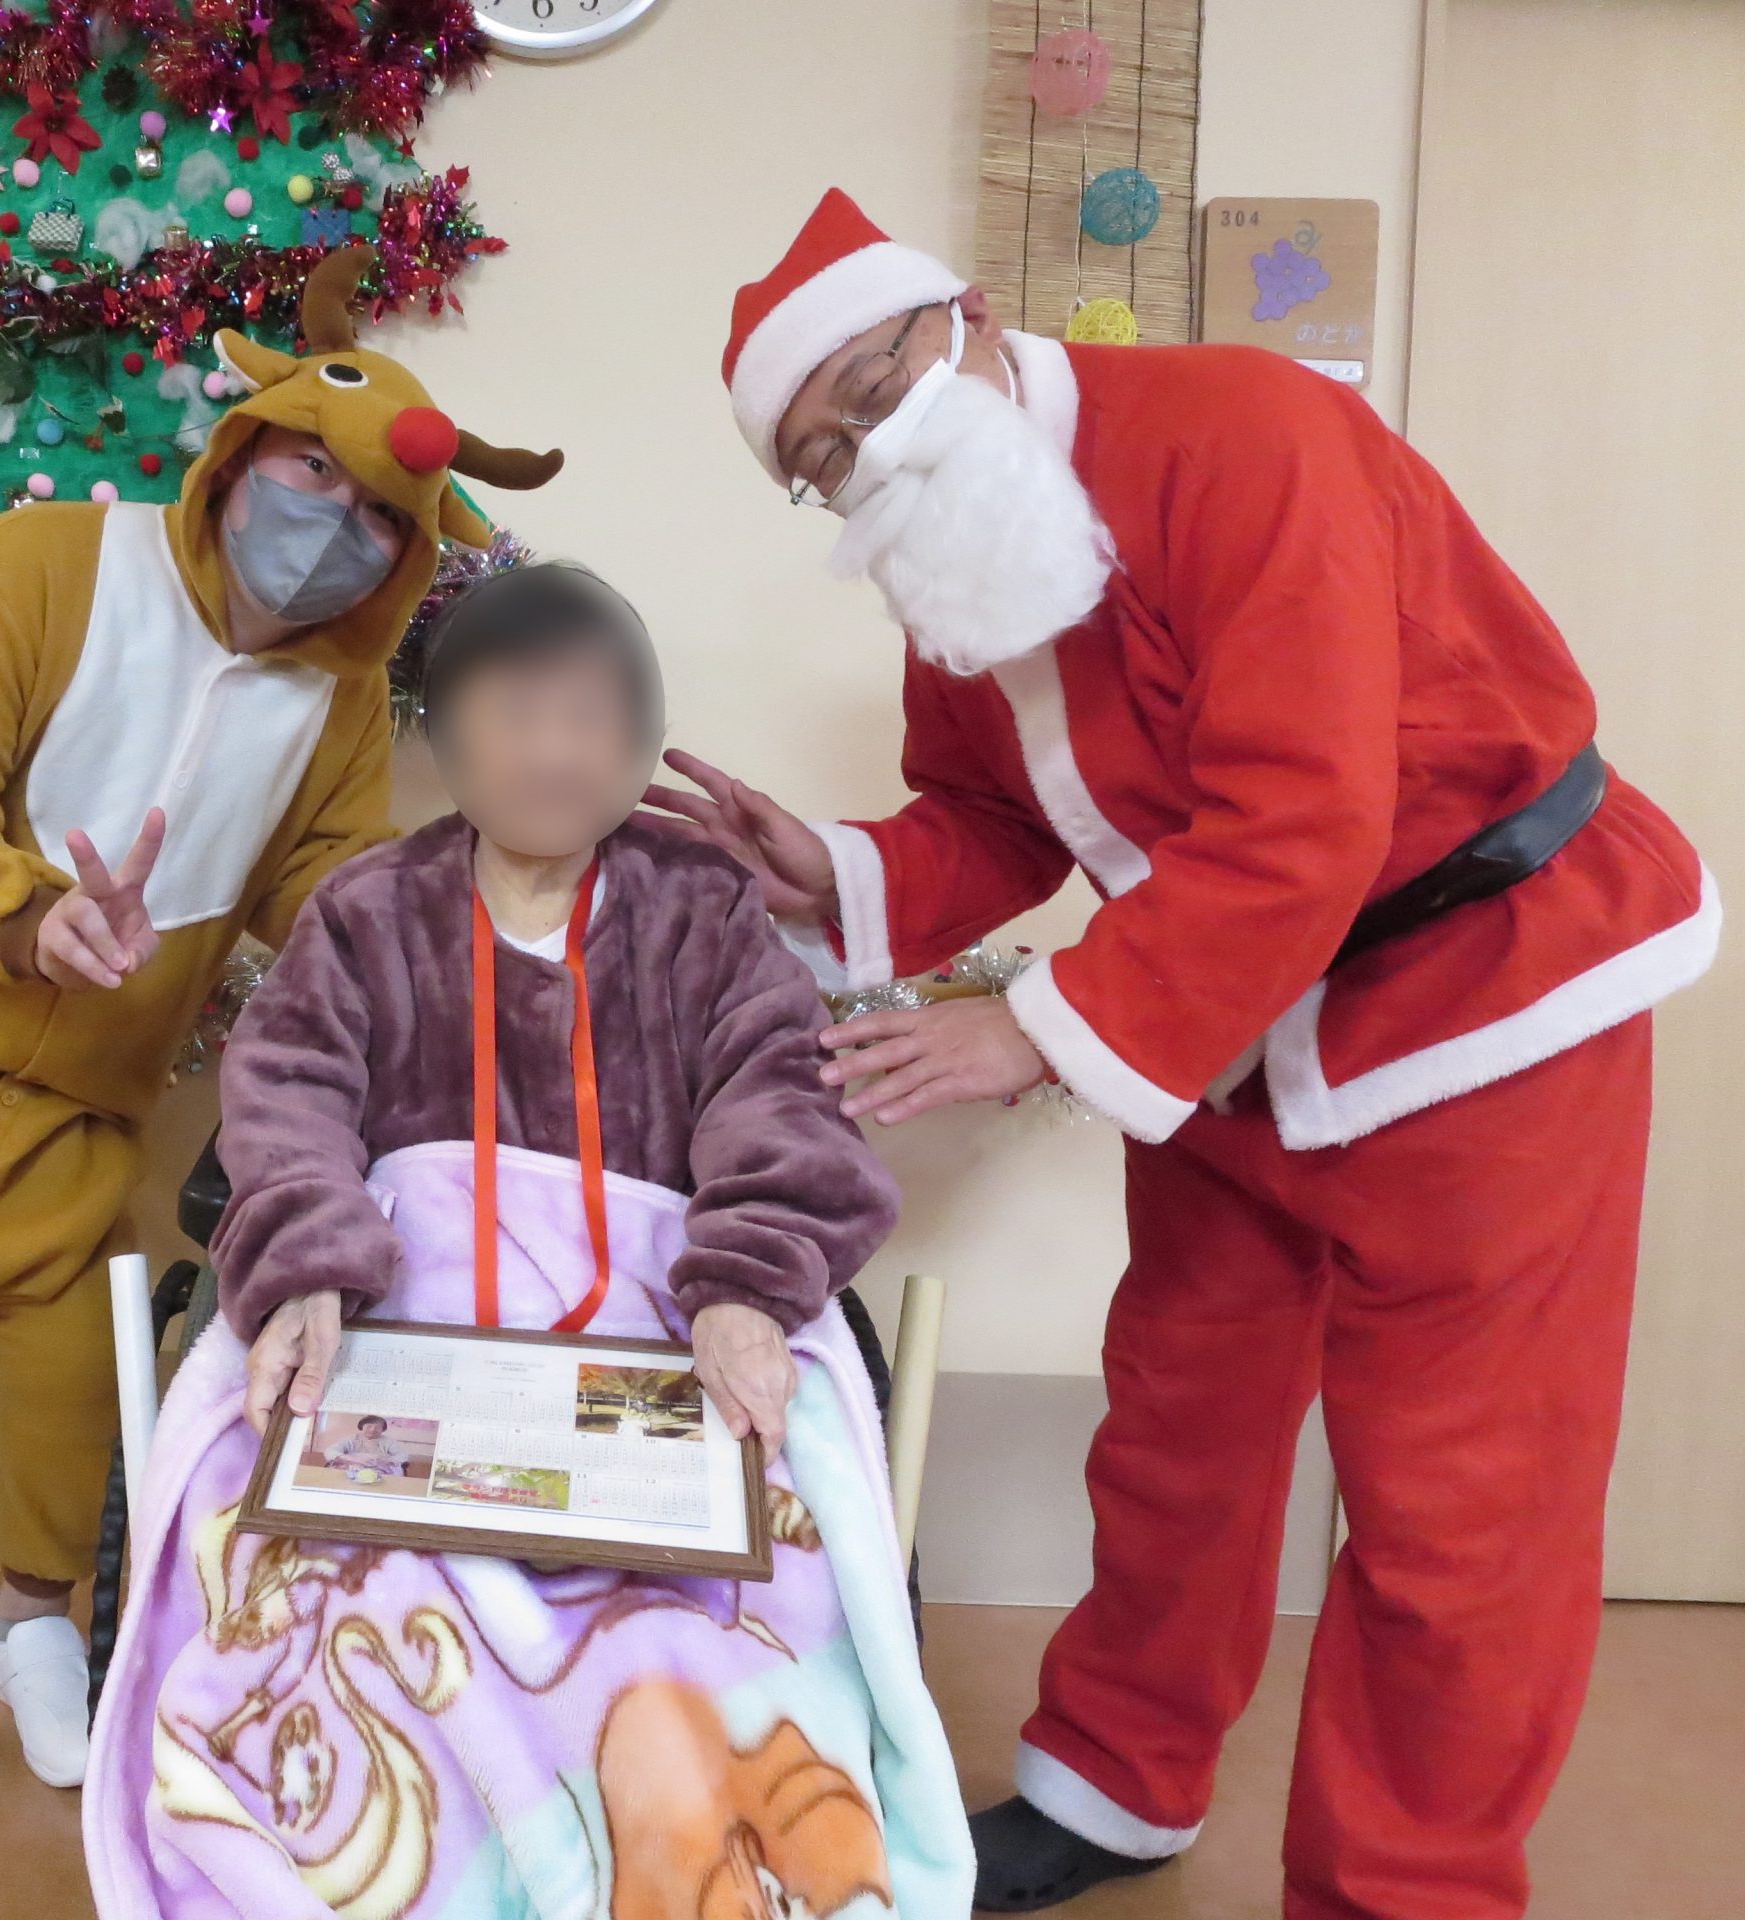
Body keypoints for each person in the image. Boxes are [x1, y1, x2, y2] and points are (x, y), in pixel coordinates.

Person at [655, 188, 1719, 1918]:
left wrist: (1030, 1031)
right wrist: (838, 871)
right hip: (1229, 1021)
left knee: (1461, 1518)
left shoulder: (1246, 434)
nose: (866, 450)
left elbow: (1308, 810)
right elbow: (1004, 817)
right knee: (1176, 1434)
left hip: (1485, 1000)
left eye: (872, 389)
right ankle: (1114, 1788)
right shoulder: (946, 554)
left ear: (968, 315)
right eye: (820, 455)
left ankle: (1406, 1894)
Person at [0, 244, 560, 1864]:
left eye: (381, 517)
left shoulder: (340, 702)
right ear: (241, 454)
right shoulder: (31, 570)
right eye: (314, 471)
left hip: (61, 1090)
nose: (337, 524)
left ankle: (35, 1623)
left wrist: (456, 933)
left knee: (72, 1377)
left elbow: (318, 885)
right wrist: (28, 919)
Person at [84, 564, 975, 1919]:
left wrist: (745, 1284)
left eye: (592, 716)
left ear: (642, 740)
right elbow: (289, 1091)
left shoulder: (703, 909)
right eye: (515, 715)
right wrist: (306, 1261)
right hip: (407, 1317)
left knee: (739, 1586)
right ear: (446, 742)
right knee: (303, 1562)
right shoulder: (370, 909)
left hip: (652, 1317)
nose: (556, 750)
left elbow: (778, 1093)